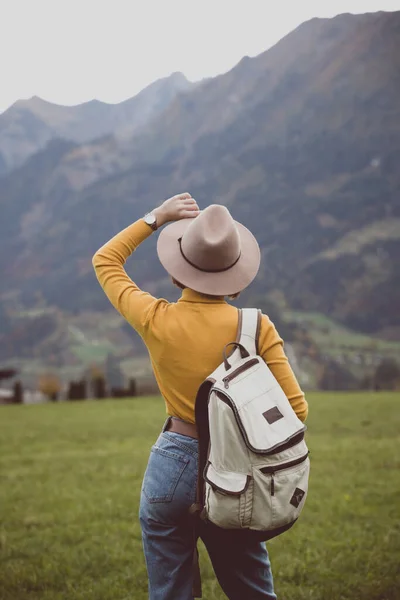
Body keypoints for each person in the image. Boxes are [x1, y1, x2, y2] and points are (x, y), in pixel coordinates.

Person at [92, 192, 308, 600]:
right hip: (237, 471)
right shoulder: (256, 326)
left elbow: (105, 260)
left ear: (177, 273)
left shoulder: (156, 318)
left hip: (172, 464)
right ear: (235, 275)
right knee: (252, 592)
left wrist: (157, 217)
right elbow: (296, 409)